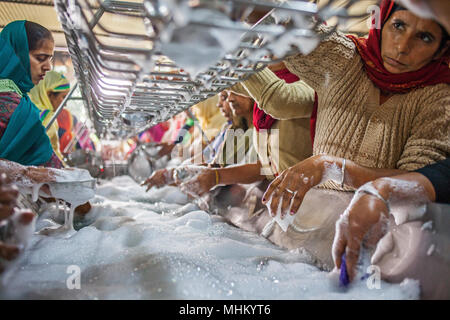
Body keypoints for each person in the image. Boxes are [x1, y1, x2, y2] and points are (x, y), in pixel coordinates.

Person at [247, 0, 449, 216]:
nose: (402, 47)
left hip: (379, 224)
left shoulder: (439, 99)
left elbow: (417, 179)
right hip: (316, 216)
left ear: (441, 49)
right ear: (381, 22)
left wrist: (333, 168)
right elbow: (289, 26)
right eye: (398, 26)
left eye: (424, 37)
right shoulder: (347, 61)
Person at [0, 20, 63, 168]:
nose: (48, 67)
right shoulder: (13, 107)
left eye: (50, 59)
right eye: (40, 58)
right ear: (15, 54)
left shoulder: (18, 98)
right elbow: (51, 167)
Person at [29, 70, 70, 162]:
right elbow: (50, 156)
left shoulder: (27, 110)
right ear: (49, 94)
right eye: (63, 97)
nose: (65, 104)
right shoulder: (48, 119)